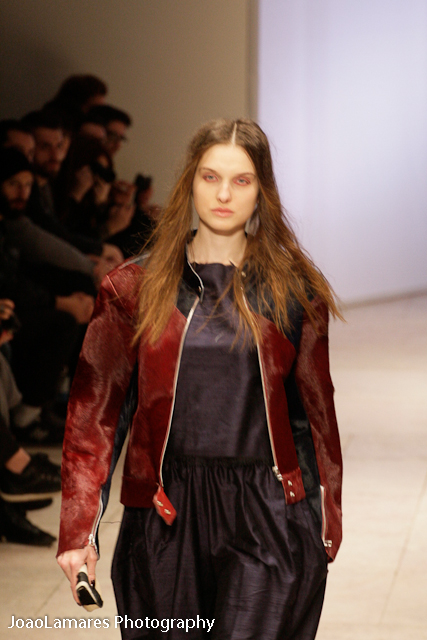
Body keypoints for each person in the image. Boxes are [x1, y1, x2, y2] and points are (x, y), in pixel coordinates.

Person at [57, 118, 343, 640]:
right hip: (164, 514)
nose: (224, 194)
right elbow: (95, 416)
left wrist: (326, 507)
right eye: (211, 177)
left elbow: (314, 411)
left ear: (262, 191)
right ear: (190, 181)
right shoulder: (133, 288)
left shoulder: (294, 291)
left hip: (268, 512)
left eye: (241, 180)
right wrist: (79, 529)